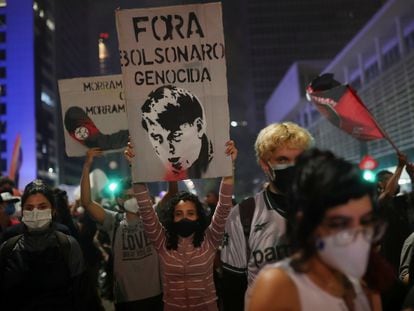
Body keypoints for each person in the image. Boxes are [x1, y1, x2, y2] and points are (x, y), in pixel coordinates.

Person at [248, 148, 384, 311]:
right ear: (307, 224)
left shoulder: (365, 285)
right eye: (340, 224)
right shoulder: (280, 286)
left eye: (366, 221)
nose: (359, 236)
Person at [126, 140, 237, 310]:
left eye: (190, 213)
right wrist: (136, 167)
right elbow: (146, 210)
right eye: (179, 214)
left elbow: (223, 208)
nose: (185, 218)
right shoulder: (162, 242)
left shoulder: (210, 240)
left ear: (198, 217)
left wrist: (229, 168)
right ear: (172, 218)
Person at [219, 122, 313, 310]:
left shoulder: (328, 209)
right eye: (283, 160)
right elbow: (233, 288)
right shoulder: (244, 214)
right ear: (265, 164)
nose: (292, 167)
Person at [81, 147, 170, 311]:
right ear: (120, 200)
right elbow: (87, 202)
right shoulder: (113, 220)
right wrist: (87, 166)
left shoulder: (153, 216)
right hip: (126, 298)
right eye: (129, 196)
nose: (134, 200)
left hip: (156, 295)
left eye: (137, 195)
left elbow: (171, 196)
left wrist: (170, 168)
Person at [0, 179, 85, 310]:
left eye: (42, 207)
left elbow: (81, 294)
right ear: (22, 211)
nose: (35, 212)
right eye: (29, 208)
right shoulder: (8, 248)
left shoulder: (67, 245)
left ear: (53, 211)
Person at [141, 85, 213, 180]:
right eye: (157, 137)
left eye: (175, 136)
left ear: (198, 127)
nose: (169, 149)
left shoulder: (216, 164)